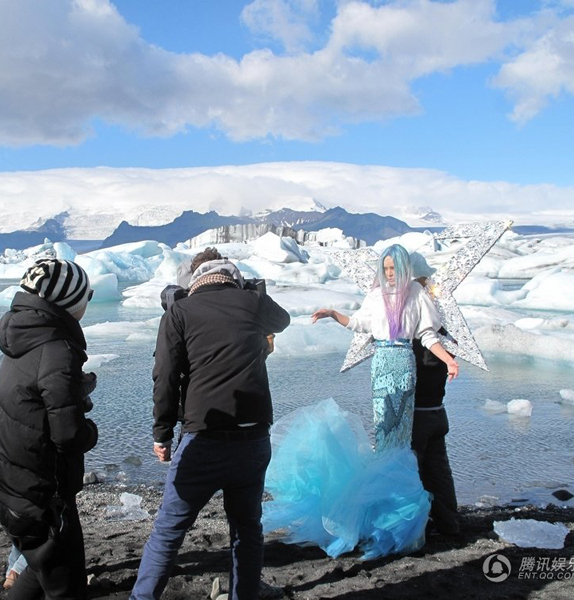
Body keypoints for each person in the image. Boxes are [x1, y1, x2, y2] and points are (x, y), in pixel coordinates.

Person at [263, 244, 458, 560]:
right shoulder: (375, 296)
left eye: (396, 268)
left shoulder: (417, 297)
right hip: (381, 362)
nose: (391, 274)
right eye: (387, 268)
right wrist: (332, 314)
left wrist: (449, 361)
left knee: (399, 442)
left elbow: (428, 336)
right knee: (385, 440)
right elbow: (358, 324)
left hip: (403, 363)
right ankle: (386, 516)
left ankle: (400, 520)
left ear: (407, 269)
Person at [131, 248, 291, 600]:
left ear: (192, 280)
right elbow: (283, 320)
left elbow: (165, 377)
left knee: (169, 529)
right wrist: (250, 290)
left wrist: (162, 433)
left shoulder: (180, 312)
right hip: (253, 436)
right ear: (232, 274)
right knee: (247, 528)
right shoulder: (252, 302)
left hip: (203, 437)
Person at [0, 258, 98, 600]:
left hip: (12, 481)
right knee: (66, 585)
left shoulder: (24, 338)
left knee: (41, 567)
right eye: (87, 296)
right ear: (68, 302)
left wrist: (71, 393)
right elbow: (69, 435)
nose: (88, 302)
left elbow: (31, 400)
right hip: (42, 494)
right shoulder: (58, 350)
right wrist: (88, 427)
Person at [409, 253, 460, 536]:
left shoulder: (415, 323)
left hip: (416, 414)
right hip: (437, 410)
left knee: (410, 472)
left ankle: (415, 529)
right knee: (439, 470)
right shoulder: (441, 317)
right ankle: (449, 523)